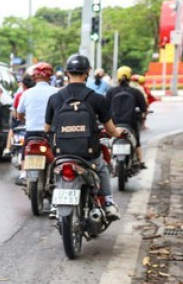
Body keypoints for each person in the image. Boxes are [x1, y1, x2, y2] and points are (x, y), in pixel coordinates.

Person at [44, 54, 125, 221]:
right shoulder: (96, 98)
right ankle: (108, 203)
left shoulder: (55, 98)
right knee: (101, 167)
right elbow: (110, 129)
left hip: (62, 153)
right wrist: (118, 134)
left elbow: (47, 128)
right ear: (87, 73)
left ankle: (54, 203)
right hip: (88, 154)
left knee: (55, 170)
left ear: (67, 73)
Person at [14, 62, 58, 185]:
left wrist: (24, 119)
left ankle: (23, 174)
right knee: (55, 152)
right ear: (50, 77)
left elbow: (19, 114)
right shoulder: (56, 92)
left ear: (34, 77)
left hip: (31, 132)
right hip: (50, 132)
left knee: (25, 149)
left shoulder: (26, 93)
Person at [106, 66, 148, 169]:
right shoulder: (136, 92)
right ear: (130, 77)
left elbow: (105, 108)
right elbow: (144, 108)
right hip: (130, 123)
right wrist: (143, 114)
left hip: (114, 123)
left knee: (109, 141)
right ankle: (140, 161)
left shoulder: (111, 92)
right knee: (137, 141)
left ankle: (108, 160)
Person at [3, 72, 34, 159]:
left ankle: (7, 148)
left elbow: (16, 111)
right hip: (33, 122)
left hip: (22, 119)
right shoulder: (37, 93)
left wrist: (20, 117)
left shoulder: (21, 94)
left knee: (12, 128)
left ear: (23, 85)